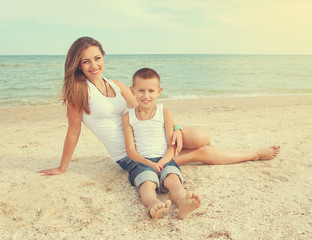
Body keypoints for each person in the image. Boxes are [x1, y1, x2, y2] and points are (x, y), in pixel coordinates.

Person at [39, 36, 280, 177]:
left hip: (150, 136)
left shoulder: (118, 85)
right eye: (86, 61)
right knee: (202, 150)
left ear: (104, 57)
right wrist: (62, 167)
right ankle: (254, 154)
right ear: (78, 65)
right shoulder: (79, 92)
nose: (94, 65)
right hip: (131, 155)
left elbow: (146, 111)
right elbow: (73, 131)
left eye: (97, 58)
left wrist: (175, 127)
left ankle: (209, 150)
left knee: (200, 136)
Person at [120, 68, 201, 219]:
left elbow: (172, 145)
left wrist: (163, 162)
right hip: (141, 161)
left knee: (173, 179)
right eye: (141, 90)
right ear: (132, 90)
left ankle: (183, 203)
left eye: (151, 90)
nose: (146, 95)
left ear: (159, 91)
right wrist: (149, 164)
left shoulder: (164, 112)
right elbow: (131, 151)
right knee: (147, 182)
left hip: (164, 158)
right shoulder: (127, 117)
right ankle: (153, 204)